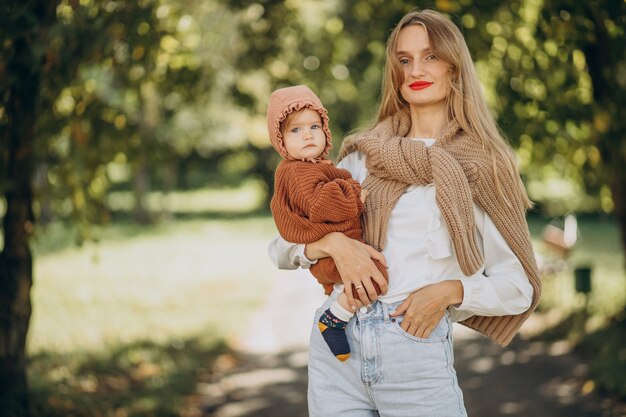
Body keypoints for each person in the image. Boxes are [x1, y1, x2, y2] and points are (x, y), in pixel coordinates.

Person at [268, 8, 541, 416]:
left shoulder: (483, 164)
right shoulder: (364, 155)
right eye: (404, 59)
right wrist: (335, 245)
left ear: (454, 67)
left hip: (414, 353)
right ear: (394, 72)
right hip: (336, 351)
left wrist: (451, 291)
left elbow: (520, 286)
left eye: (431, 56)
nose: (416, 68)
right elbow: (280, 247)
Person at [267, 84, 389, 362]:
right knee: (376, 273)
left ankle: (337, 304)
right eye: (295, 130)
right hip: (328, 253)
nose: (307, 134)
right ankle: (334, 319)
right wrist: (354, 193)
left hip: (330, 250)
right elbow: (322, 205)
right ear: (281, 141)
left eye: (314, 126)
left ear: (326, 131)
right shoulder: (297, 172)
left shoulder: (312, 167)